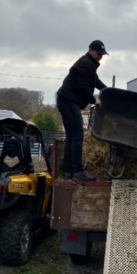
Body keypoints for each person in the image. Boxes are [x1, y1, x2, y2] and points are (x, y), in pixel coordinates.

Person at [56, 40, 109, 181]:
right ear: (91, 50)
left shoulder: (89, 65)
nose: (100, 57)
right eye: (99, 53)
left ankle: (69, 171)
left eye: (102, 54)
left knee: (72, 136)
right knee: (77, 135)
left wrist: (108, 91)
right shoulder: (85, 64)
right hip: (68, 101)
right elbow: (82, 86)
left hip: (66, 100)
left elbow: (95, 82)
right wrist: (94, 100)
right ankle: (77, 171)